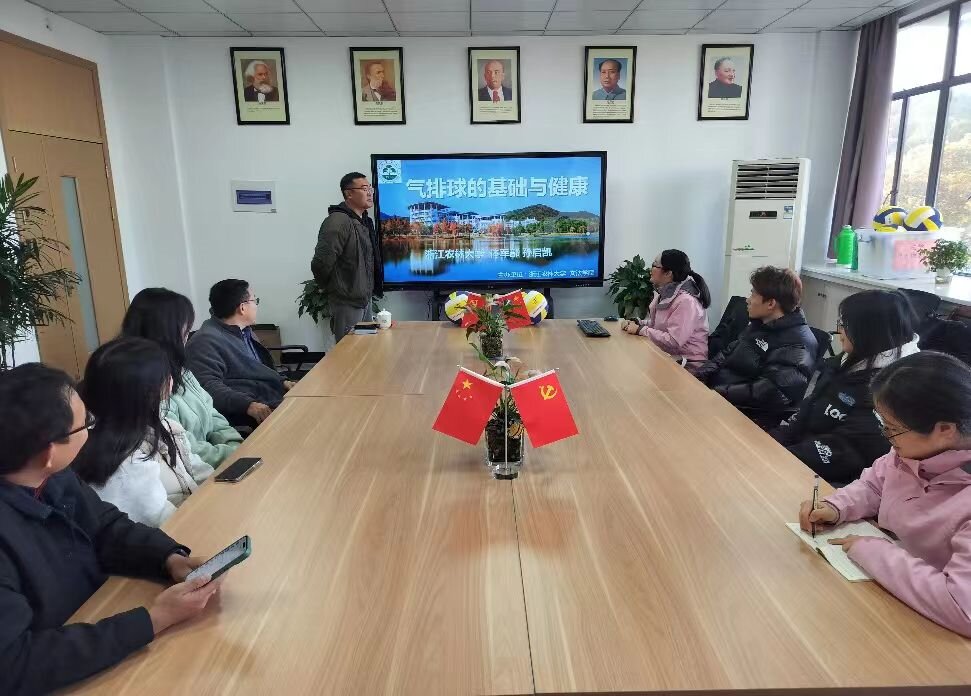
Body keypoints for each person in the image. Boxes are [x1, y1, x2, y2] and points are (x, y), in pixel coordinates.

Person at [0, 363, 224, 695]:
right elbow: (14, 664)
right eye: (85, 424)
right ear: (49, 452)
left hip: (95, 625)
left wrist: (168, 557)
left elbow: (105, 526)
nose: (92, 428)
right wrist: (153, 620)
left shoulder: (50, 476)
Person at [799, 351, 971, 638]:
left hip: (933, 632)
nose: (886, 438)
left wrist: (873, 551)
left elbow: (962, 607)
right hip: (891, 591)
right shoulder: (912, 452)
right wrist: (836, 506)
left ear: (944, 429)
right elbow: (875, 485)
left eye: (892, 429)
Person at [770, 290, 919, 486]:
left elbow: (847, 452)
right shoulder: (847, 360)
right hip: (799, 458)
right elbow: (807, 410)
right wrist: (772, 442)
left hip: (832, 482)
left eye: (845, 324)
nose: (839, 331)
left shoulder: (892, 389)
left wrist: (780, 457)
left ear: (869, 331)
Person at [74, 338, 214, 528]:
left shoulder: (163, 426)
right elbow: (165, 525)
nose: (171, 381)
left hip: (200, 517)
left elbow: (198, 471)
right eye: (164, 377)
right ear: (145, 393)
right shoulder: (126, 466)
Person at [121, 288, 242, 469]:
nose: (188, 335)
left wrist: (236, 444)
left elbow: (212, 414)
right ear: (166, 332)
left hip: (219, 461)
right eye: (185, 329)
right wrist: (232, 454)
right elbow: (183, 448)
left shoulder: (180, 369)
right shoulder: (145, 383)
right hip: (196, 471)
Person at [694, 267, 817, 426]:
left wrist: (717, 393)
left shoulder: (798, 344)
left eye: (753, 294)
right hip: (719, 398)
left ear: (771, 303)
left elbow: (769, 391)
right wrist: (699, 376)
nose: (747, 300)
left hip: (743, 415)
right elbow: (727, 353)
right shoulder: (760, 324)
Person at [186, 279, 292, 424]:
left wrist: (282, 382)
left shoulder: (245, 331)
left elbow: (258, 370)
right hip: (251, 412)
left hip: (272, 397)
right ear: (242, 308)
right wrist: (248, 405)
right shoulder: (204, 341)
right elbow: (207, 387)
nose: (256, 306)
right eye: (255, 300)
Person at [312, 172, 384, 342]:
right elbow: (321, 263)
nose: (369, 193)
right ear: (349, 193)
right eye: (364, 189)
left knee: (365, 348)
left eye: (370, 189)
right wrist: (336, 288)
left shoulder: (363, 221)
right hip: (347, 301)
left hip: (363, 299)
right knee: (348, 350)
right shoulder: (338, 221)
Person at [622, 249, 711, 365]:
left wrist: (640, 330)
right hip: (668, 356)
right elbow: (659, 325)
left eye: (654, 265)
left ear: (668, 273)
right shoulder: (665, 294)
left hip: (688, 365)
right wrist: (638, 323)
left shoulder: (686, 301)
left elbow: (674, 340)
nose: (650, 269)